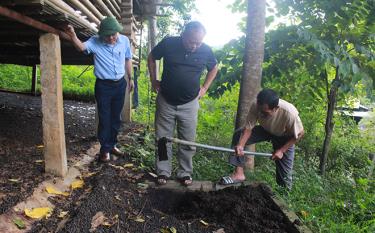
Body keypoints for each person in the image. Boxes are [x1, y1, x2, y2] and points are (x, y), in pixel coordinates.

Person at [148, 21, 218, 186]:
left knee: (188, 140)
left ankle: (184, 172)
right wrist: (153, 80)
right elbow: (152, 57)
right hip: (166, 100)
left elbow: (214, 68)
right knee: (163, 139)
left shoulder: (206, 50)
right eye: (191, 42)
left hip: (189, 103)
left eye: (198, 42)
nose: (194, 46)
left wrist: (205, 88)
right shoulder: (169, 43)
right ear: (183, 35)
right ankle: (163, 171)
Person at [65, 17, 134, 162]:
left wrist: (130, 78)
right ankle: (104, 150)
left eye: (113, 34)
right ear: (101, 34)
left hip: (120, 84)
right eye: (107, 35)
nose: (111, 38)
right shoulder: (95, 41)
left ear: (118, 32)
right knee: (105, 118)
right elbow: (81, 47)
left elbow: (128, 59)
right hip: (104, 86)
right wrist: (73, 35)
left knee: (116, 117)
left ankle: (112, 144)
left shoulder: (125, 41)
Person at [220, 89, 304, 189]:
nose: (261, 114)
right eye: (259, 111)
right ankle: (239, 174)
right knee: (239, 135)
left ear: (275, 108)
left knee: (284, 179)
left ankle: (284, 194)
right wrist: (241, 145)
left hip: (284, 137)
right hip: (266, 130)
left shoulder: (289, 113)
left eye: (265, 113)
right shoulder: (256, 105)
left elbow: (299, 134)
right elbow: (248, 128)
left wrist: (282, 150)